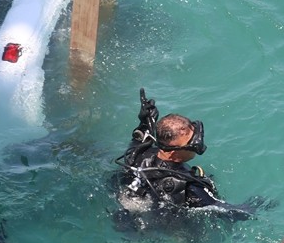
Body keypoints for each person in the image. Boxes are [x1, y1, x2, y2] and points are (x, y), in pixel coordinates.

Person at [113, 89, 268, 223]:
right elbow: (228, 212)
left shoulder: (137, 153)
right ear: (173, 153)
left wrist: (146, 121)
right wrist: (260, 205)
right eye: (192, 143)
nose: (198, 143)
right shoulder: (188, 187)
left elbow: (140, 136)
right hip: (158, 221)